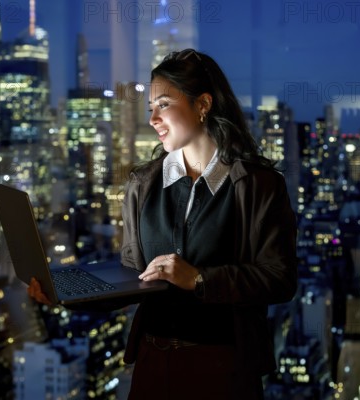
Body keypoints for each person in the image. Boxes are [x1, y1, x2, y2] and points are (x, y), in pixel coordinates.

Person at [29, 48, 298, 399]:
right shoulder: (142, 184)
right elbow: (132, 278)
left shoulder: (257, 185)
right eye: (150, 108)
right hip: (152, 367)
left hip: (222, 371)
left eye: (164, 105)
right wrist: (64, 294)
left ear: (203, 105)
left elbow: (279, 279)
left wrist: (199, 279)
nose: (153, 118)